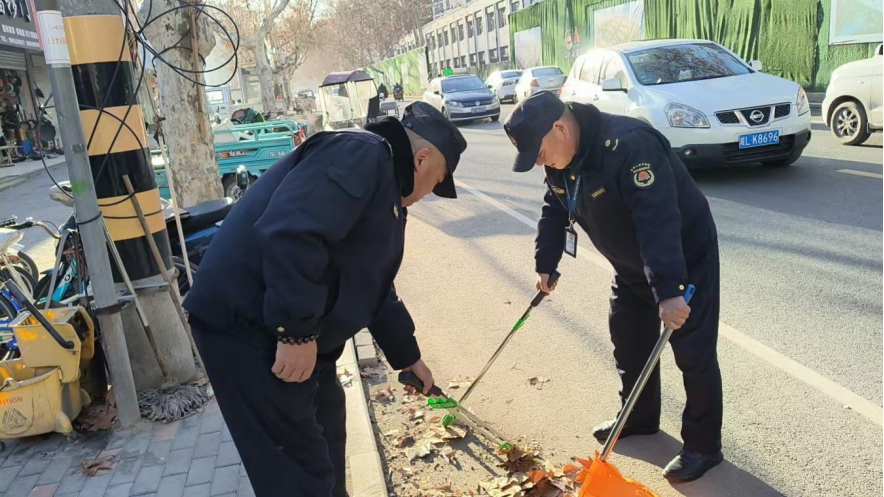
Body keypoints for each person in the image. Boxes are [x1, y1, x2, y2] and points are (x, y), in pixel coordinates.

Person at [184, 102, 468, 496]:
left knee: (330, 431)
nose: (431, 193)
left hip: (293, 332)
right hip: (246, 326)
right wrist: (295, 334)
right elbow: (292, 233)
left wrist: (407, 355)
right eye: (437, 181)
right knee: (298, 471)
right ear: (421, 159)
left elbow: (373, 283)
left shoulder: (387, 186)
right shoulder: (360, 154)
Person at [503, 91, 723, 483]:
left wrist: (669, 291)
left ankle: (704, 446)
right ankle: (638, 417)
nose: (540, 163)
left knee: (693, 352)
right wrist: (545, 263)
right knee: (628, 338)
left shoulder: (630, 146)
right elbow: (554, 208)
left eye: (540, 153)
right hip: (631, 265)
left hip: (683, 260)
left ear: (560, 128)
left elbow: (658, 221)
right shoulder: (561, 161)